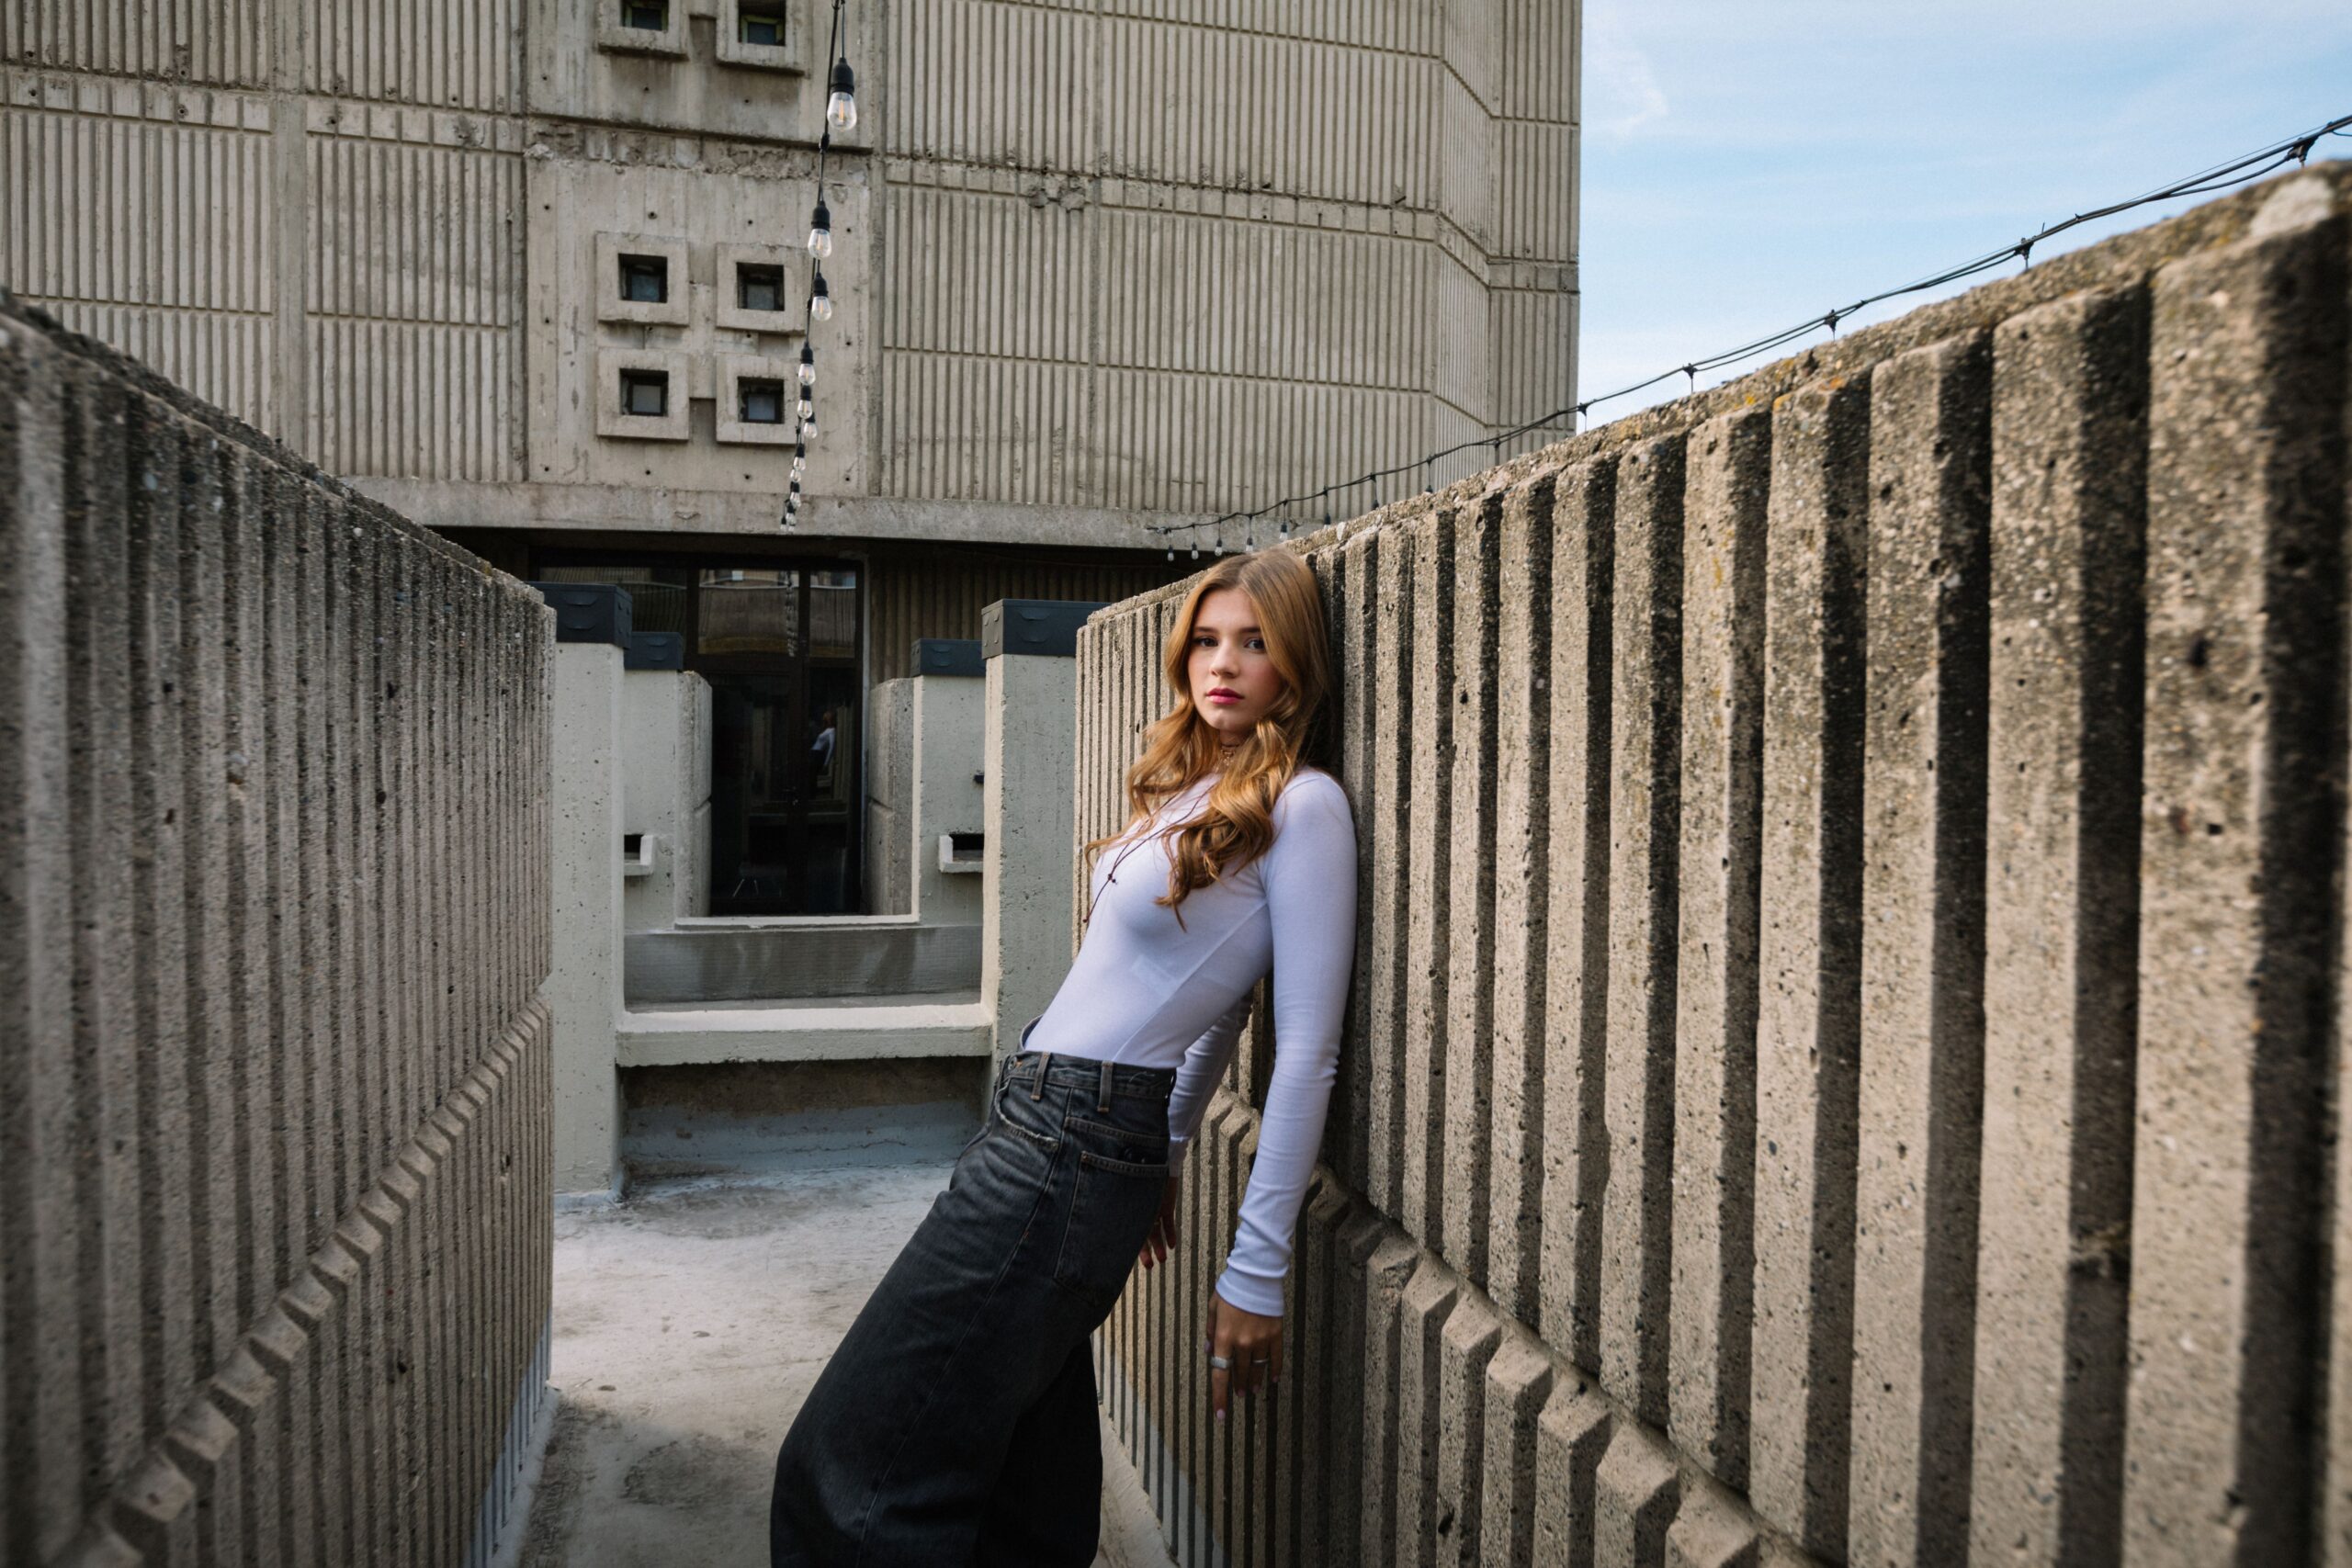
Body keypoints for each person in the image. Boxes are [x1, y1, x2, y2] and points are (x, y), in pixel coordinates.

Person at [769, 547, 1359, 1566]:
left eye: (1255, 643)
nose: (1222, 663)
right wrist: (1169, 1146)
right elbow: (1218, 1007)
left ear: (1297, 664)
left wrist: (1256, 1270)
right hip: (1052, 1127)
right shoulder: (1202, 790)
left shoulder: (1304, 807)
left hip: (1069, 1142)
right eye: (1206, 640)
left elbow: (1304, 1047)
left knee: (844, 1472)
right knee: (1026, 1485)